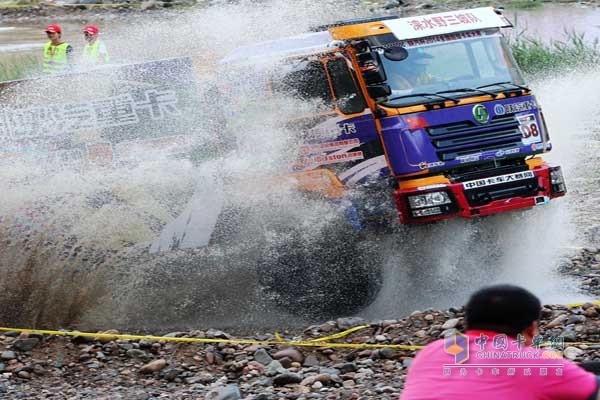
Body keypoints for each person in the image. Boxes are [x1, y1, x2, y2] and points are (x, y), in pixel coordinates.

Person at [400, 285, 600, 400]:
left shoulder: (431, 352)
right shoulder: (535, 362)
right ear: (531, 329)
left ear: (467, 322)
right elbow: (592, 391)